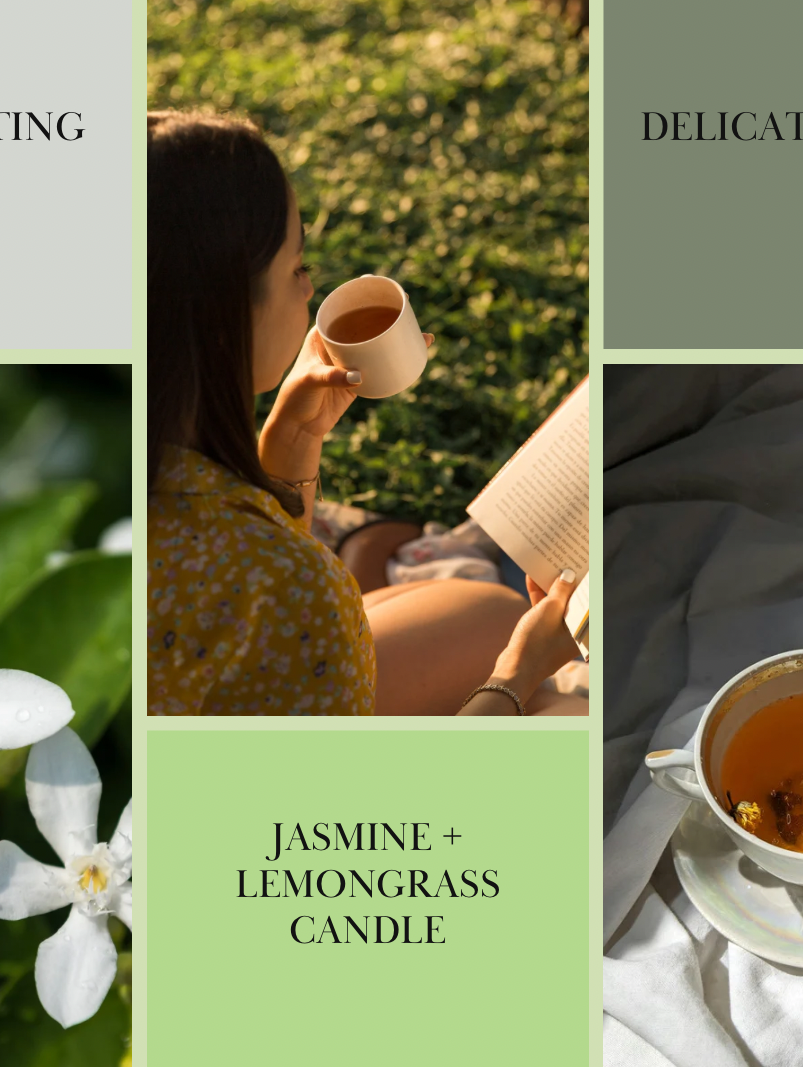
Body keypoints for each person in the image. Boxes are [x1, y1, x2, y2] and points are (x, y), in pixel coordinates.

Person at [147, 109, 582, 716]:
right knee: (569, 707)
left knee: (486, 613)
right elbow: (362, 799)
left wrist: (293, 438)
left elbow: (248, 583)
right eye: (297, 268)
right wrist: (520, 673)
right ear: (223, 321)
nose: (309, 289)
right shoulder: (292, 587)